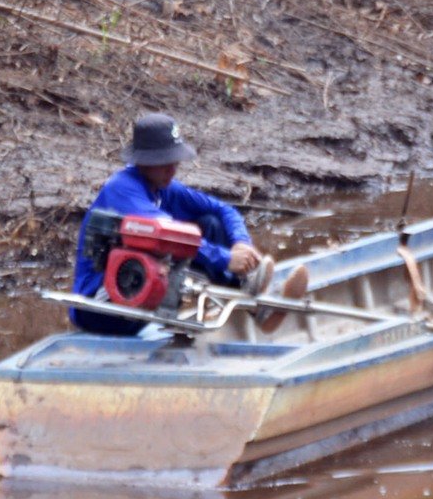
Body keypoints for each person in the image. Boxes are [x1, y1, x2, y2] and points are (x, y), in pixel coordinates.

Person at [70, 112, 281, 334]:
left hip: (137, 298)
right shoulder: (122, 189)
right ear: (143, 161)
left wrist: (241, 243)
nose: (172, 170)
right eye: (163, 163)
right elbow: (170, 238)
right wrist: (225, 259)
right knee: (174, 244)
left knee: (210, 222)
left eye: (174, 162)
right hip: (99, 308)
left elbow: (223, 209)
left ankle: (246, 295)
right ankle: (251, 299)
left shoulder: (164, 187)